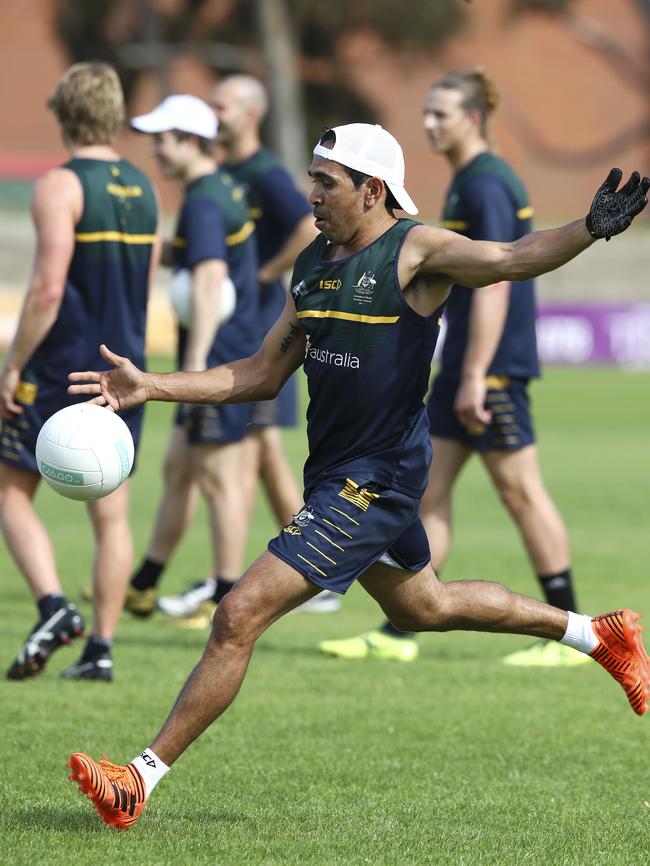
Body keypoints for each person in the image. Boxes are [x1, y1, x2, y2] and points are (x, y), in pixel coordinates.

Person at [66, 122, 649, 829]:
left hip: (376, 480)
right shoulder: (312, 265)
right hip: (335, 473)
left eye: (326, 182)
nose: (310, 194)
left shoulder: (416, 250)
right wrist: (152, 386)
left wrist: (589, 228)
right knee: (422, 608)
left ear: (372, 190)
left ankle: (138, 779)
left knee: (237, 614)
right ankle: (595, 634)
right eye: (312, 178)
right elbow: (258, 373)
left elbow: (511, 256)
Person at [319, 68, 585, 666]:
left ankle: (570, 627)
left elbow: (496, 278)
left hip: (490, 365)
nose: (429, 124)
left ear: (473, 118)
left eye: (441, 114)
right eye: (427, 113)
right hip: (467, 360)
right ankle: (400, 628)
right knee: (428, 492)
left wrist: (473, 374)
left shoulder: (487, 182)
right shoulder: (469, 180)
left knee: (519, 490)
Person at [151, 74, 335, 622]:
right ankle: (313, 571)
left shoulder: (264, 173)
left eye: (222, 106)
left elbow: (309, 226)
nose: (215, 113)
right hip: (243, 336)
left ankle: (281, 575)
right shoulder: (222, 175)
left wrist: (262, 273)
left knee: (247, 461)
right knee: (256, 457)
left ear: (251, 115)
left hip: (258, 337)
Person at [0, 62, 160, 682]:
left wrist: (13, 365)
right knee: (111, 512)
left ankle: (53, 606)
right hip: (124, 373)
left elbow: (46, 290)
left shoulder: (61, 185)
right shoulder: (143, 187)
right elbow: (144, 289)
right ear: (115, 114)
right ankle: (102, 649)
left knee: (11, 491)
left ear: (63, 112)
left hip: (63, 370)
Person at [121, 95, 259, 624]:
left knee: (220, 479)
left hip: (216, 360)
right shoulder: (220, 188)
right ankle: (143, 583)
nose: (155, 149)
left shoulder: (203, 201)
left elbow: (209, 281)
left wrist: (194, 369)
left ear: (193, 141)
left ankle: (225, 596)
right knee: (178, 468)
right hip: (226, 352)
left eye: (164, 139)